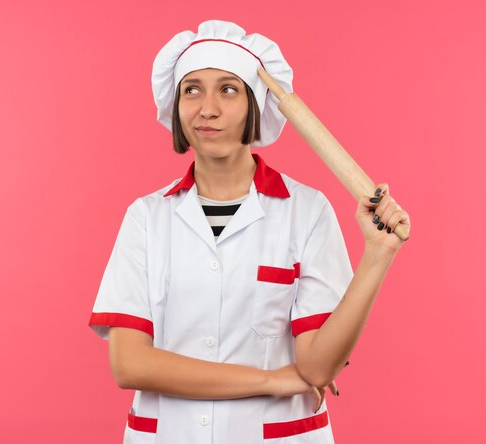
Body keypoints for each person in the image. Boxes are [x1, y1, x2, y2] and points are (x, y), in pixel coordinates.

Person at [89, 20, 411, 444]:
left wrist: (377, 254)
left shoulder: (307, 211)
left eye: (227, 89)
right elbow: (130, 366)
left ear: (254, 104)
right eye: (192, 89)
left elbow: (317, 369)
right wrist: (271, 380)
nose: (207, 108)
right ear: (176, 104)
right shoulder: (146, 218)